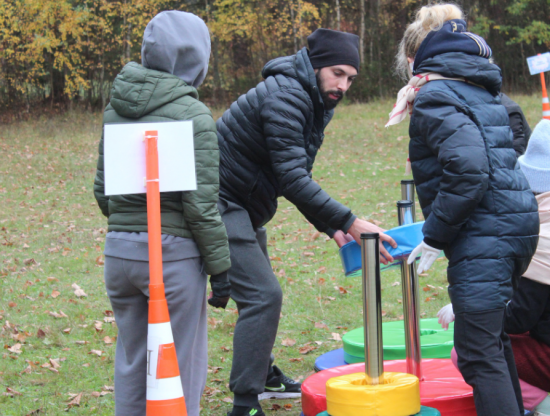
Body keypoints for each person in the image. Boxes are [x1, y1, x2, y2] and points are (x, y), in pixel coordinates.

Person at [214, 28, 397, 416]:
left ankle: (261, 374)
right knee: (264, 296)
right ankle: (245, 403)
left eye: (351, 78)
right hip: (219, 202)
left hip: (244, 205)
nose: (343, 85)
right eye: (337, 73)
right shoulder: (286, 97)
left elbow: (291, 174)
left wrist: (329, 226)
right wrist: (349, 222)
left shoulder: (313, 97)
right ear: (315, 66)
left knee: (258, 298)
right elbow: (294, 179)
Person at [387, 4, 539, 416]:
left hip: (484, 235)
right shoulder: (482, 91)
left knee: (477, 353)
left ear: (423, 58)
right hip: (514, 226)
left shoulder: (436, 94)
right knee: (492, 342)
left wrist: (434, 236)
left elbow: (469, 170)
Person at [93, 11, 230, 416]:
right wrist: (221, 269)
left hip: (120, 255)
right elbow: (201, 207)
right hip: (173, 259)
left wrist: (129, 228)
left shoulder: (115, 110)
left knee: (134, 363)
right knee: (180, 368)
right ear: (196, 58)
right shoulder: (194, 116)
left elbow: (103, 193)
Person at [439, 119, 550, 416]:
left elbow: (519, 317)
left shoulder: (544, 236)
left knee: (470, 349)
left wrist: (467, 308)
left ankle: (545, 406)